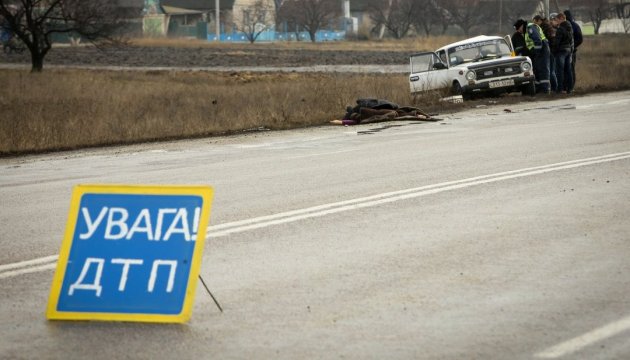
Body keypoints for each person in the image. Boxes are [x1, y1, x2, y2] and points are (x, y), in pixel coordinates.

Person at [514, 18, 551, 93]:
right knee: (537, 69)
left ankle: (545, 89)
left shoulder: (530, 28)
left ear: (521, 26)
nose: (519, 31)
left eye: (519, 29)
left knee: (543, 69)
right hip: (538, 52)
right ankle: (538, 88)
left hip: (542, 50)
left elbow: (538, 41)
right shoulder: (526, 31)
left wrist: (536, 52)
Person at [552, 12, 574, 94]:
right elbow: (571, 40)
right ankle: (570, 88)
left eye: (557, 19)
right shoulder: (569, 27)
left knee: (559, 71)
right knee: (568, 70)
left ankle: (560, 89)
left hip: (561, 51)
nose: (557, 21)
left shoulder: (561, 28)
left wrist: (554, 51)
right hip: (568, 50)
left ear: (561, 18)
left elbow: (557, 42)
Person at [534, 15, 557, 93]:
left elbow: (551, 41)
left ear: (539, 20)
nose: (535, 24)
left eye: (535, 22)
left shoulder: (545, 28)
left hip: (549, 52)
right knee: (550, 70)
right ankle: (553, 88)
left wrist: (549, 50)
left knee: (550, 71)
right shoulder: (547, 27)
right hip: (550, 51)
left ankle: (554, 88)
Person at [564, 10, 583, 90]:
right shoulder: (575, 25)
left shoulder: (572, 26)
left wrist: (572, 46)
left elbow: (580, 39)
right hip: (568, 50)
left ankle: (570, 87)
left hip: (571, 51)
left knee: (570, 68)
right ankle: (568, 86)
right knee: (568, 69)